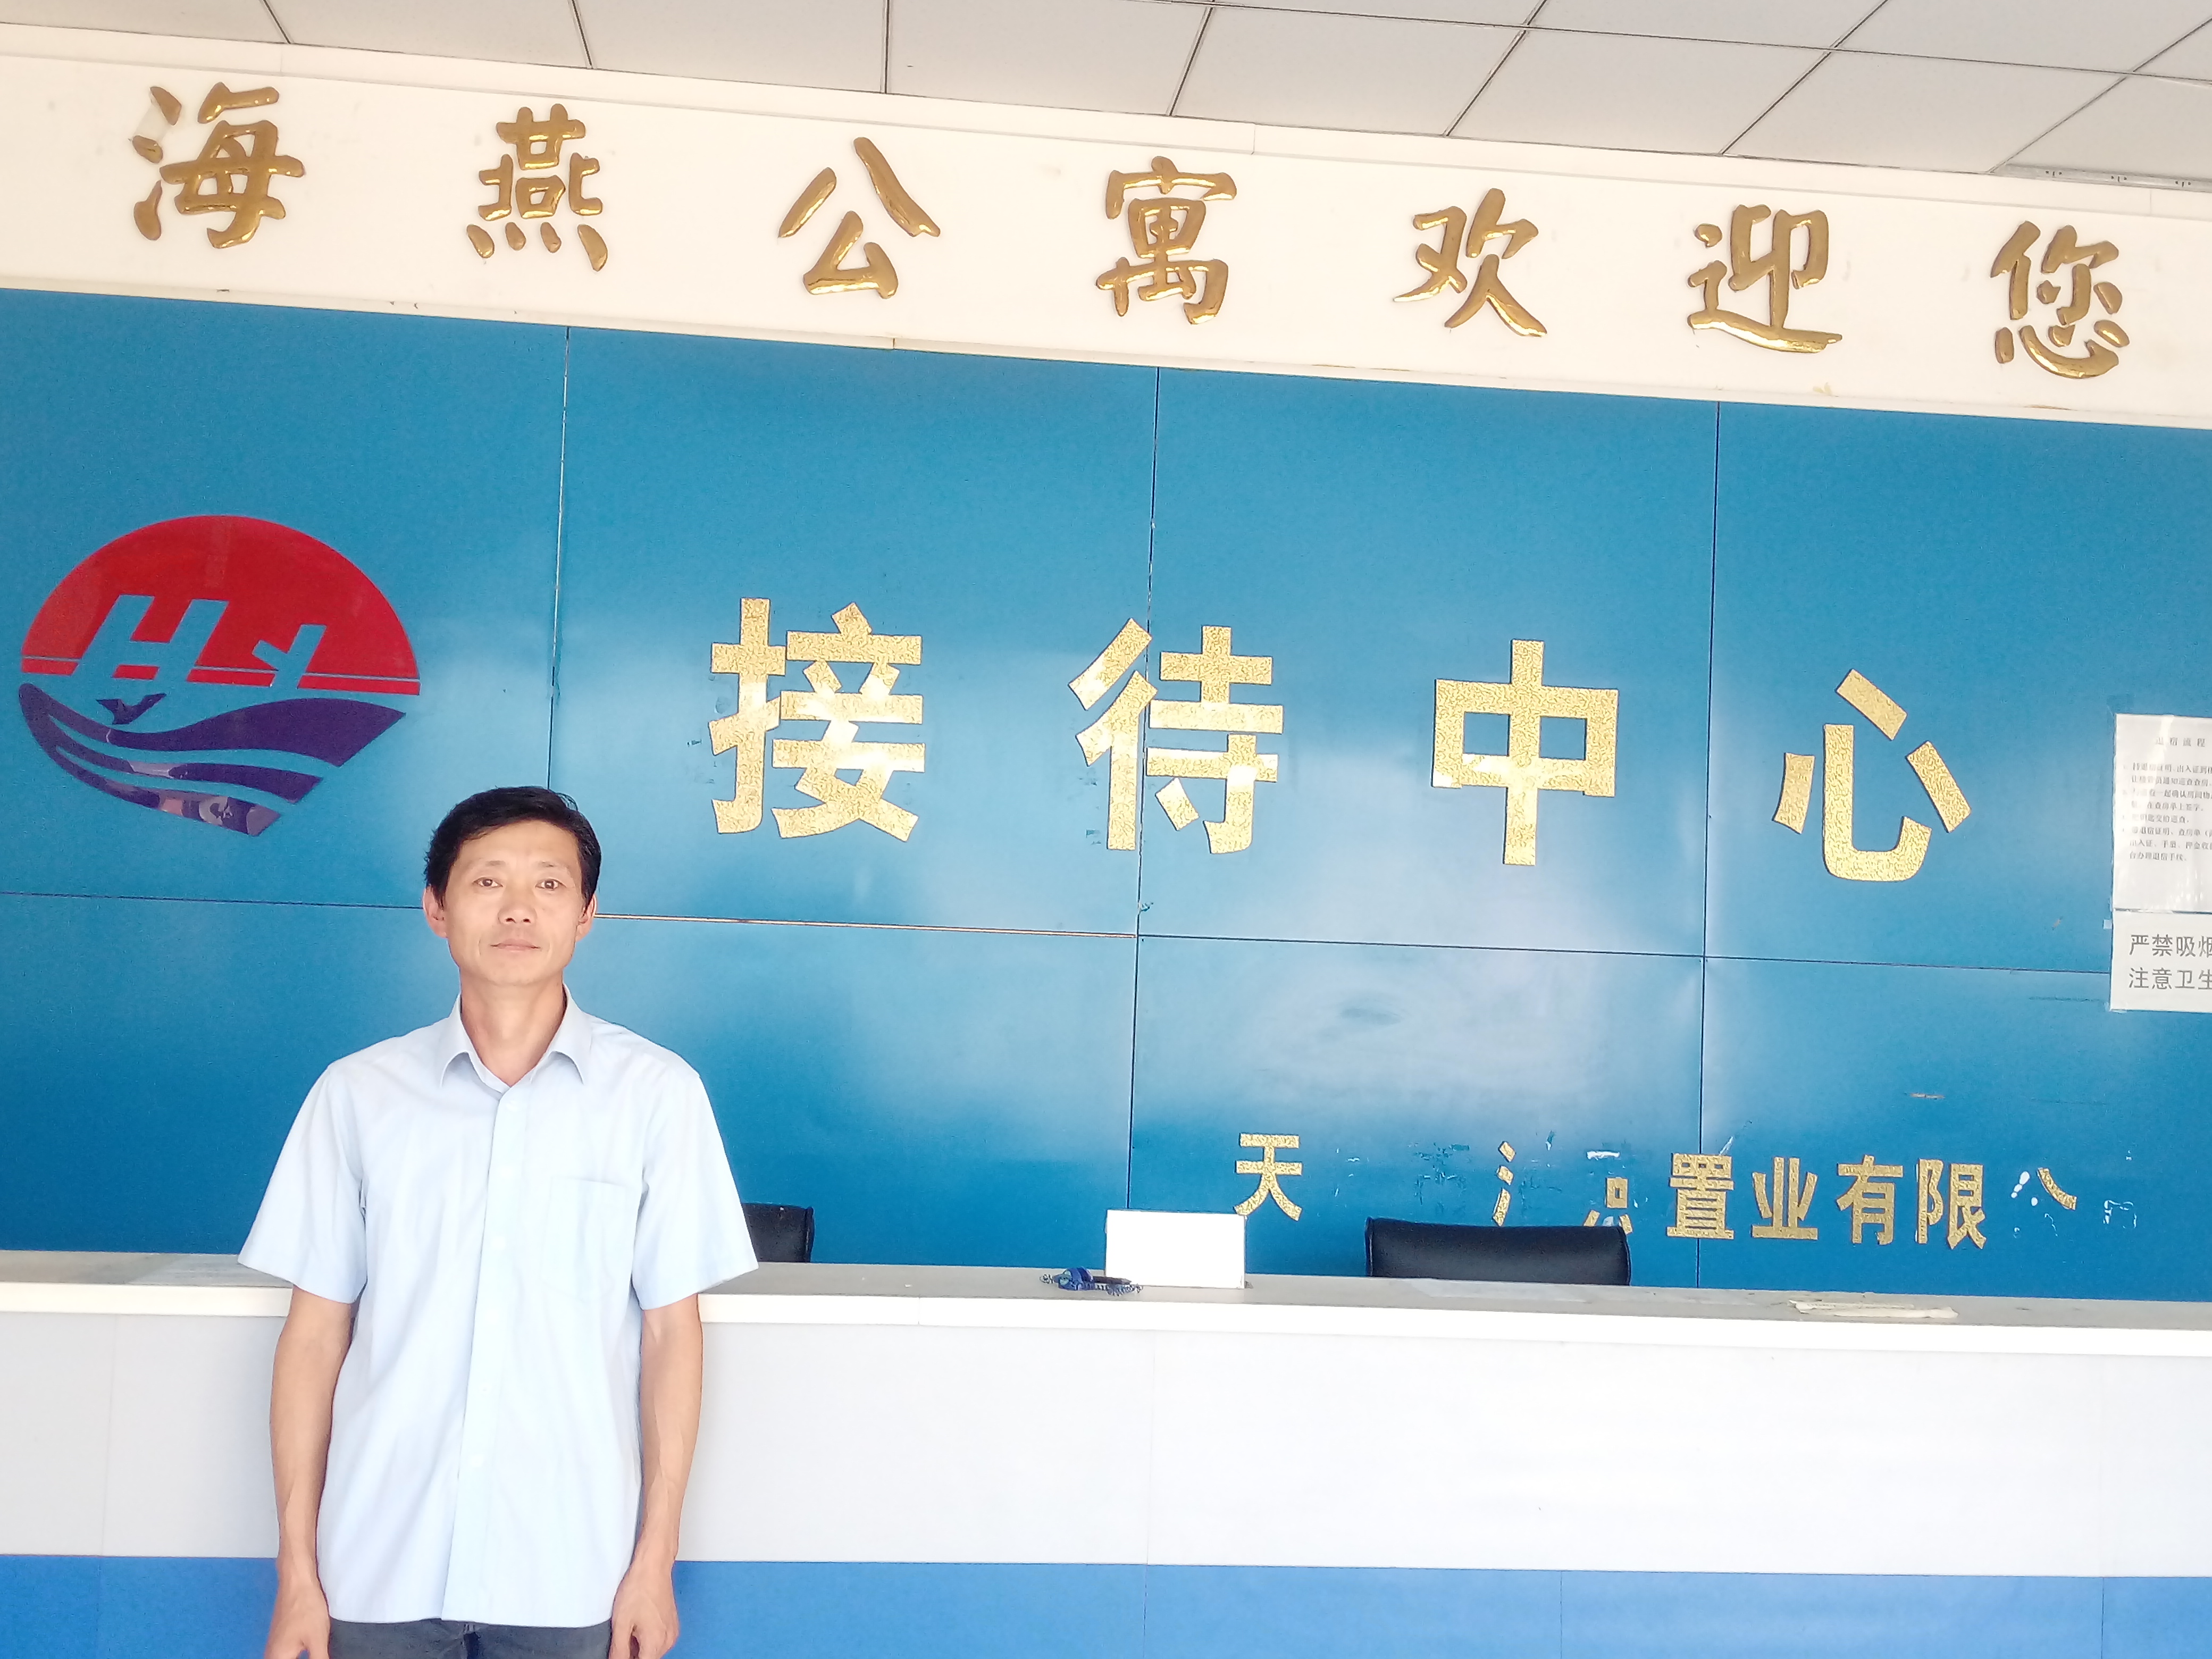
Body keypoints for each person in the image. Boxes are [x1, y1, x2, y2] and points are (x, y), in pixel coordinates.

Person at [242, 786, 756, 1659]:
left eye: (549, 884)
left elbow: (674, 1335)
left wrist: (654, 1561)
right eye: (487, 881)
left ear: (587, 914)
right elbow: (315, 1336)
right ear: (437, 909)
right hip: (377, 1562)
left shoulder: (656, 1095)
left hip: (572, 1569)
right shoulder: (358, 1095)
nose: (519, 908)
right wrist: (298, 1572)